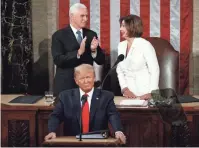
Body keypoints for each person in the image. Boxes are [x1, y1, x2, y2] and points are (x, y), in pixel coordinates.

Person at [45, 64, 126, 144]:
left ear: (94, 78)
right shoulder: (66, 96)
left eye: (88, 77)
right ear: (76, 81)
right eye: (82, 78)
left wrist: (118, 131)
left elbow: (113, 115)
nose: (86, 81)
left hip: (98, 142)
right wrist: (52, 131)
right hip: (73, 142)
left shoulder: (106, 97)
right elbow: (55, 116)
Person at [52, 3, 105, 95]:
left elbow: (101, 60)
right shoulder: (59, 35)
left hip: (86, 86)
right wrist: (78, 53)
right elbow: (58, 60)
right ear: (72, 16)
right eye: (82, 16)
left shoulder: (91, 34)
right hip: (66, 86)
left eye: (86, 16)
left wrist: (94, 50)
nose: (86, 19)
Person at [116, 14, 160, 100]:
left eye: (124, 26)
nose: (121, 29)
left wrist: (152, 93)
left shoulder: (145, 45)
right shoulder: (121, 46)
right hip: (128, 95)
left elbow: (154, 70)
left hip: (146, 94)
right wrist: (125, 89)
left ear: (132, 27)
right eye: (121, 26)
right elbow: (119, 70)